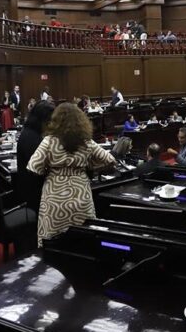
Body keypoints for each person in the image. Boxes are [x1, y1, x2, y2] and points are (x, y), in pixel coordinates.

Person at [27, 103, 116, 246]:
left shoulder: (49, 141)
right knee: (84, 241)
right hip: (81, 196)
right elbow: (110, 161)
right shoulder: (87, 142)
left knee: (53, 244)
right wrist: (91, 167)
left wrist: (49, 170)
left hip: (55, 199)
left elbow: (33, 167)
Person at [17, 101, 56, 214]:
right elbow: (42, 170)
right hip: (36, 196)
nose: (51, 125)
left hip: (31, 190)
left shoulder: (30, 132)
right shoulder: (32, 138)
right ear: (43, 120)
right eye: (50, 121)